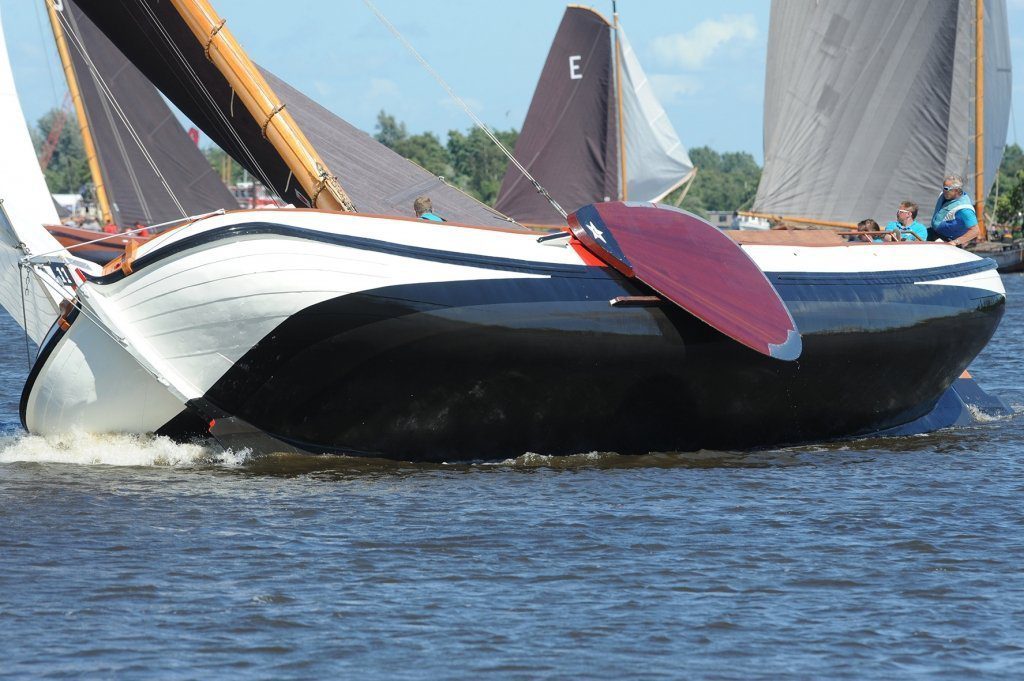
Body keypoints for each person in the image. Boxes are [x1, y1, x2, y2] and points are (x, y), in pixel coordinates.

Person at [930, 174, 979, 247]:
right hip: (934, 234)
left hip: (948, 241)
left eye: (946, 188)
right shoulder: (944, 195)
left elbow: (975, 231)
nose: (943, 190)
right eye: (943, 187)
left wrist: (955, 242)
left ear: (956, 190)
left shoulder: (965, 209)